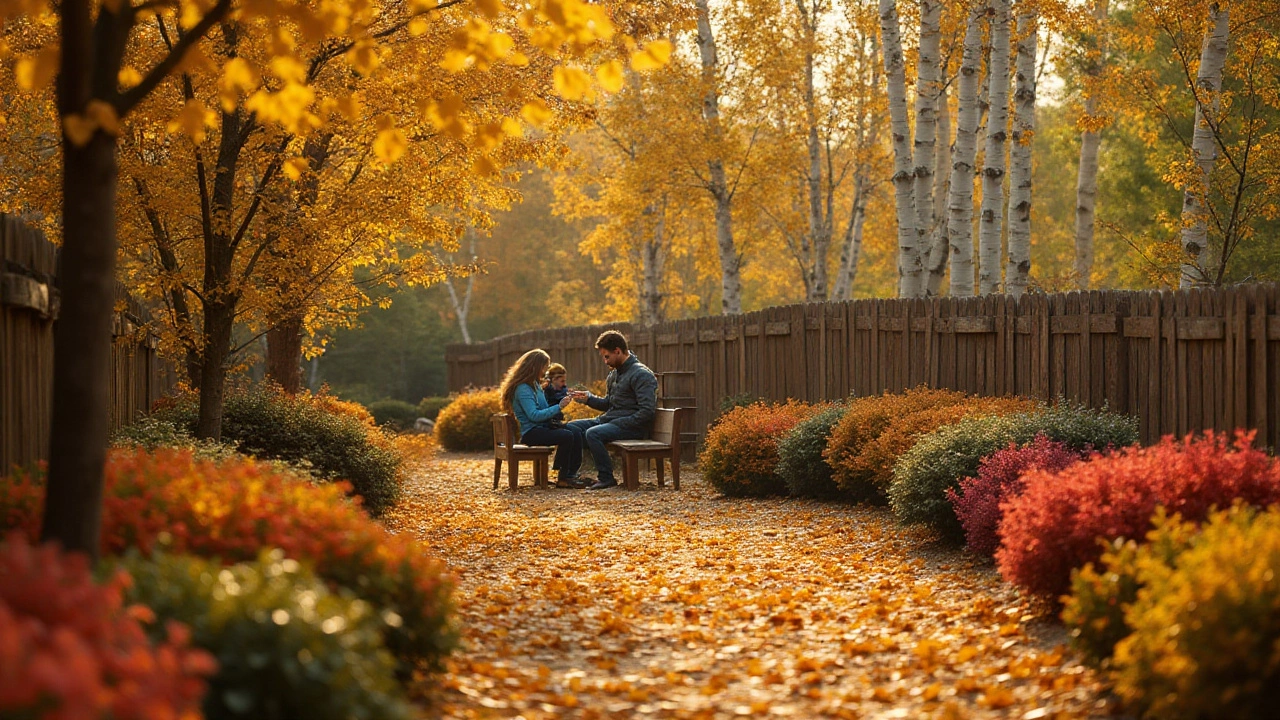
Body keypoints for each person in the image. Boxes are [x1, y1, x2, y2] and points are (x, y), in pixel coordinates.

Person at [567, 330, 658, 490]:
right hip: (610, 421)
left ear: (618, 351)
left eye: (607, 356)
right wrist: (588, 398)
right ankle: (571, 476)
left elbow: (647, 412)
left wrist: (618, 422)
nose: (604, 361)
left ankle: (606, 477)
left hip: (632, 428)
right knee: (571, 428)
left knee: (593, 433)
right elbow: (608, 404)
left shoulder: (642, 375)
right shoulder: (614, 375)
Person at [499, 349, 588, 489]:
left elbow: (545, 408)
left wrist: (562, 399)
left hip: (543, 427)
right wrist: (559, 407)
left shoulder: (535, 385)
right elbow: (534, 415)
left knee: (576, 431)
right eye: (544, 367)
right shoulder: (523, 389)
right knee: (567, 436)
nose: (545, 371)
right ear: (535, 367)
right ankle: (563, 477)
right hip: (532, 432)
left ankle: (571, 474)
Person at [543, 363, 569, 428]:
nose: (564, 384)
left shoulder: (563, 390)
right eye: (562, 381)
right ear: (554, 379)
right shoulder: (545, 393)